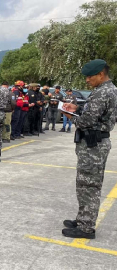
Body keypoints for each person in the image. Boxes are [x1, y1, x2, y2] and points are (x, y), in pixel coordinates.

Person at [61, 59, 117, 239]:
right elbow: (97, 113)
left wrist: (70, 115)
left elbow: (88, 121)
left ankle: (86, 227)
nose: (87, 80)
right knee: (86, 184)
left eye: (89, 76)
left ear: (101, 74)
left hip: (93, 145)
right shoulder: (109, 90)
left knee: (88, 185)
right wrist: (78, 107)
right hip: (96, 144)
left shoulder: (102, 93)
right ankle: (83, 218)